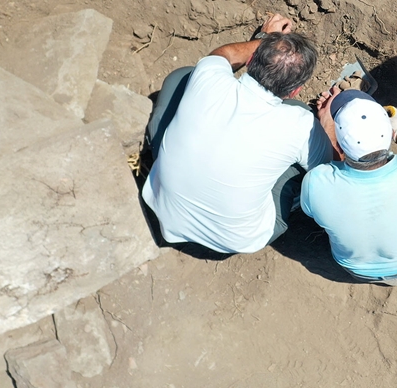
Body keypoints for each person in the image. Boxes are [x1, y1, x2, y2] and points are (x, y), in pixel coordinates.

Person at [141, 14, 333, 254]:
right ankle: (292, 205)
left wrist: (266, 39)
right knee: (301, 155)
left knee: (182, 77)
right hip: (234, 240)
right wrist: (327, 125)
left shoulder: (210, 77)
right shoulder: (301, 124)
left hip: (162, 206)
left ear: (251, 61)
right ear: (296, 90)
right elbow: (328, 170)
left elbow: (224, 54)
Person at [302, 89, 397, 306]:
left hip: (358, 271)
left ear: (341, 145)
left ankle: (395, 279)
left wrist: (327, 129)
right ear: (387, 133)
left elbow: (333, 172)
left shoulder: (315, 183)